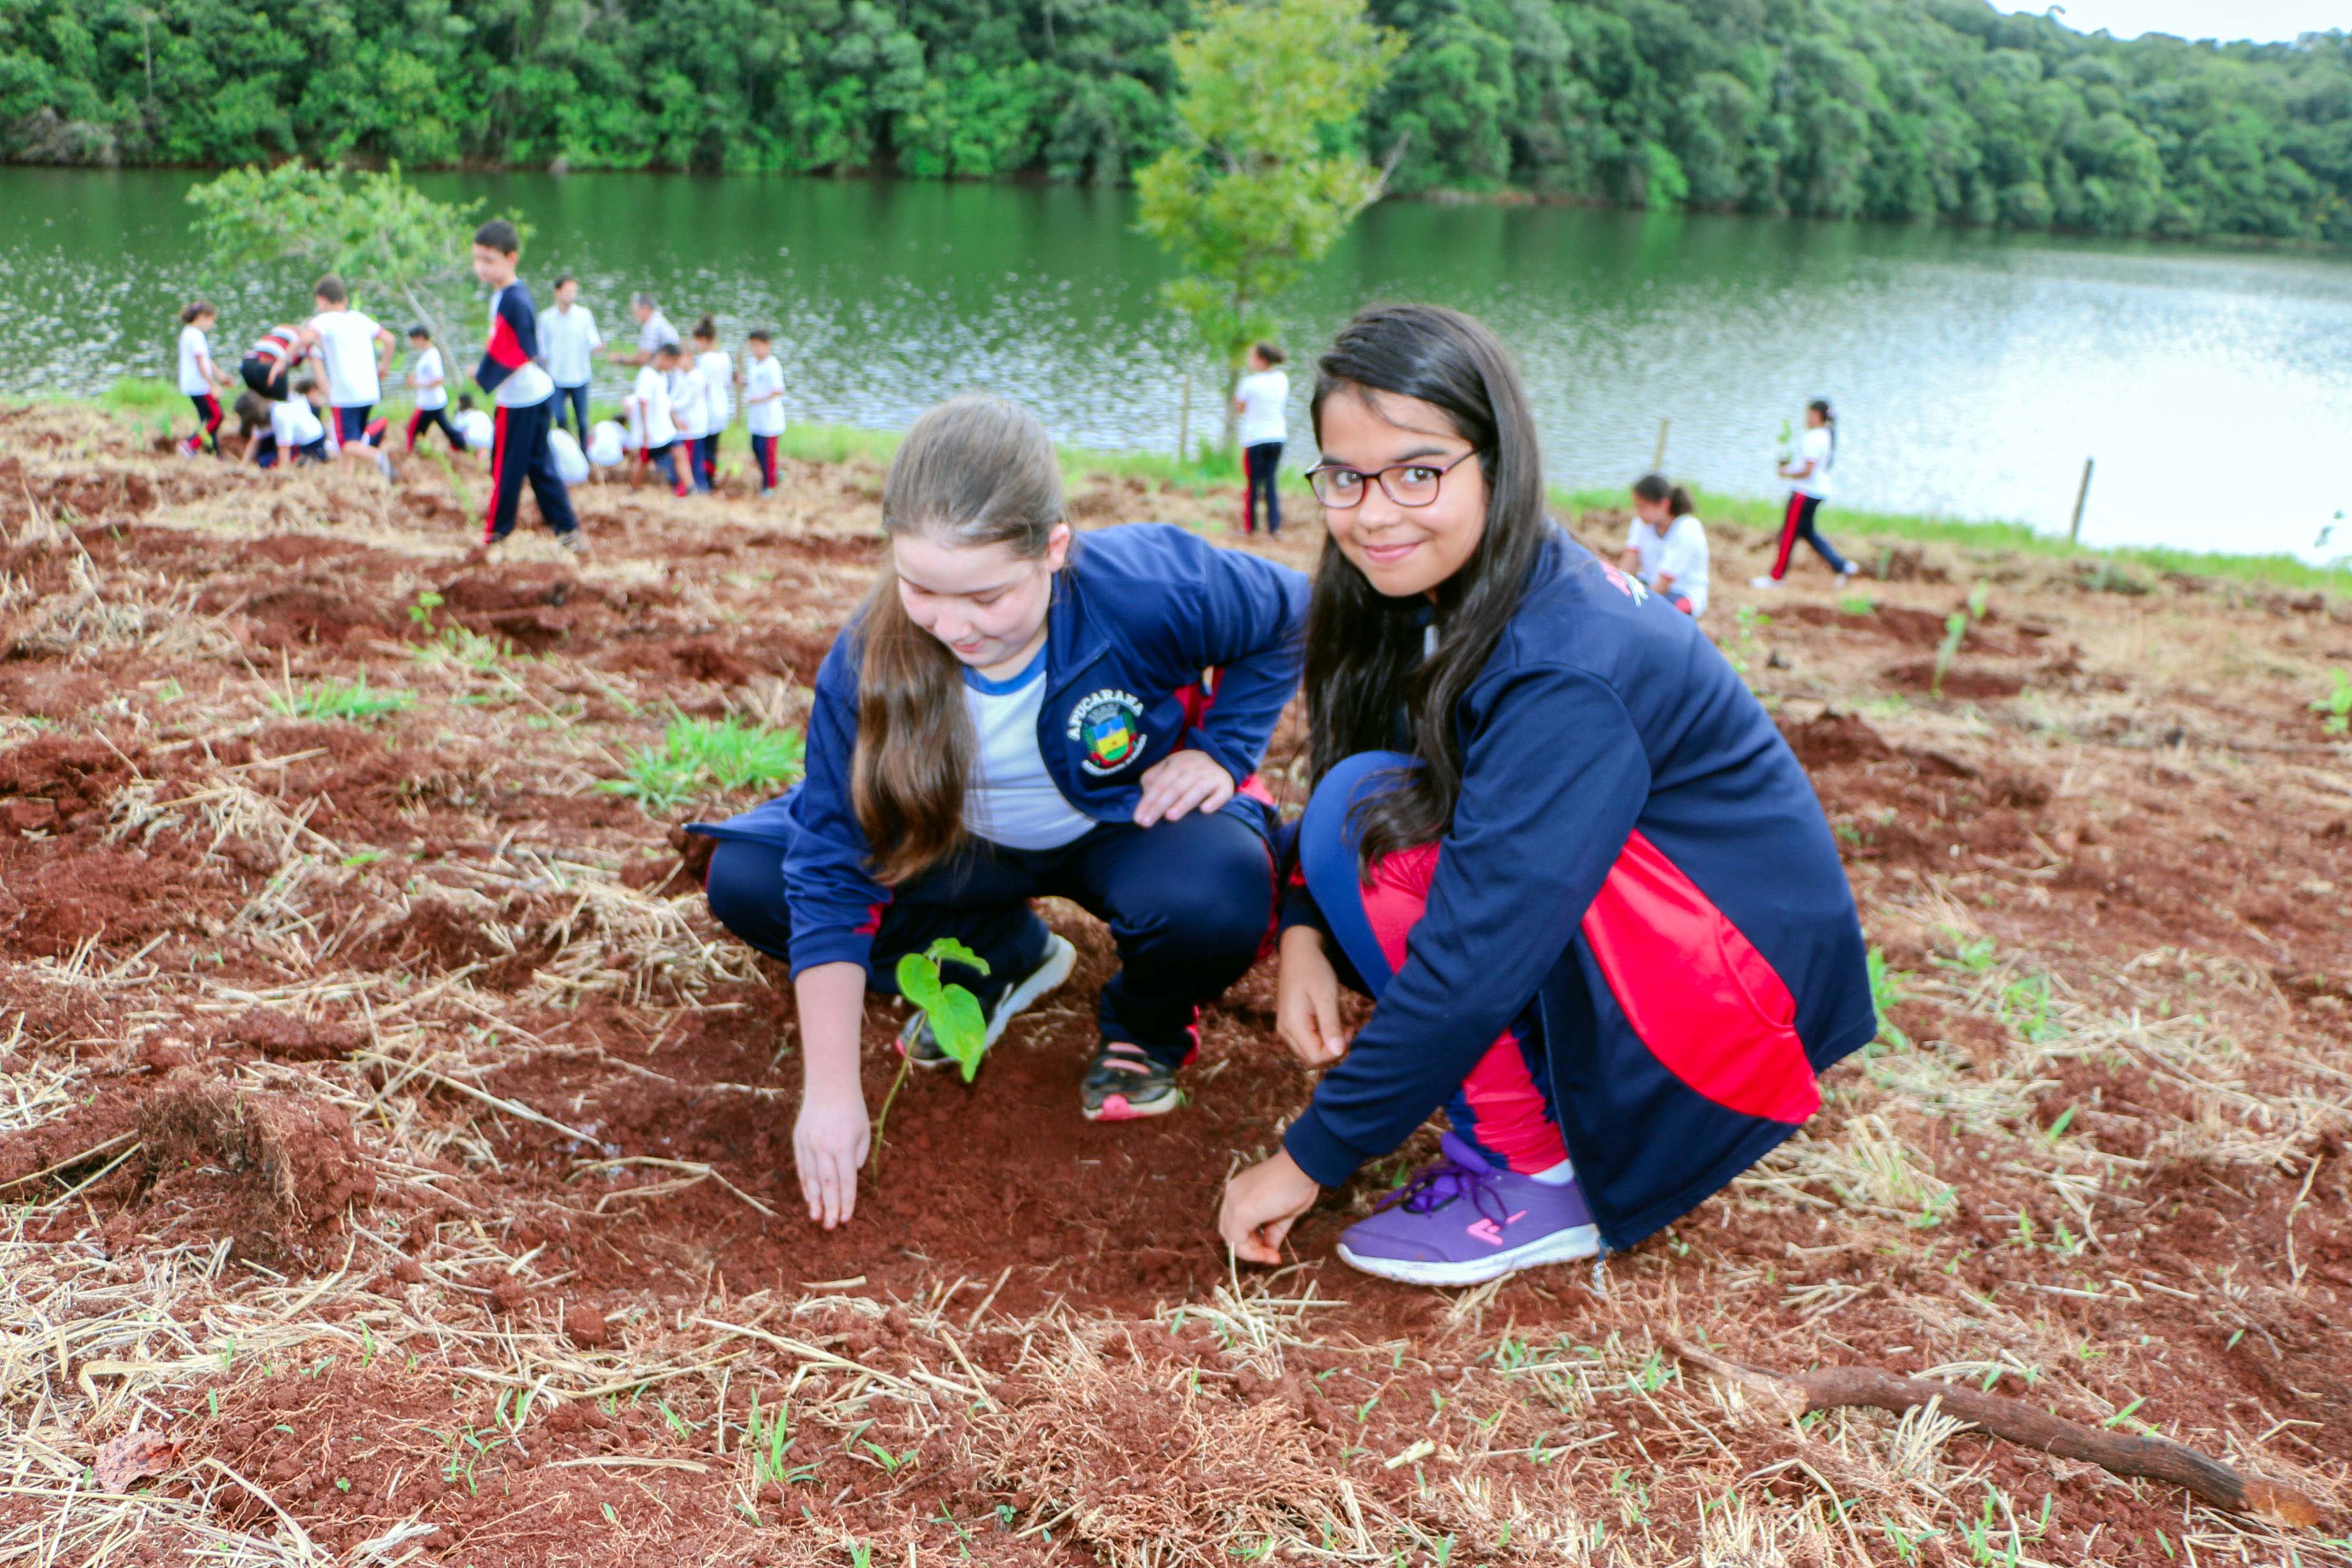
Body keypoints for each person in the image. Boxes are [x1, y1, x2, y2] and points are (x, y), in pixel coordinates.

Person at [1215, 304, 1874, 1288]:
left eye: (1418, 472)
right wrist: (1304, 931)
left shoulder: (1564, 661)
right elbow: (1365, 769)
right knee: (1360, 809)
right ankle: (1539, 1107)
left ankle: (1533, 1175)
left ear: (1499, 463)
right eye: (1345, 477)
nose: (1375, 513)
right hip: (1649, 923)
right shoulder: (1424, 586)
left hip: (1736, 1005)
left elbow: (1480, 947)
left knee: (1373, 828)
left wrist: (1310, 1156)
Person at [687, 396, 1309, 1230]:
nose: (953, 626)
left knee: (1219, 894)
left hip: (1123, 824)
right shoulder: (868, 658)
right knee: (751, 877)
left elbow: (1289, 612)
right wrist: (831, 1092)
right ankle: (1001, 955)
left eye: (986, 596)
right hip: (959, 846)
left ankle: (1146, 1026)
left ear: (1053, 548)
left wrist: (1224, 749)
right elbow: (831, 865)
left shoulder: (1144, 586)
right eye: (920, 588)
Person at [469, 219, 587, 556]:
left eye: (489, 260)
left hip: (520, 399)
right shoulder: (504, 295)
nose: (481, 267)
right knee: (539, 467)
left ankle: (496, 534)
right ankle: (568, 531)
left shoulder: (514, 300)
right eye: (477, 259)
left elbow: (521, 350)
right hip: (533, 394)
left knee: (506, 467)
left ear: (512, 258)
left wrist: (484, 374)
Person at [1753, 398, 1857, 587]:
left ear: (1817, 415)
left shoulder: (1813, 437)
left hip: (1805, 493)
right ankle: (1842, 566)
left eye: (1809, 414)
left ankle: (1776, 577)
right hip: (1818, 492)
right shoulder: (1826, 434)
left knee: (1789, 534)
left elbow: (1808, 470)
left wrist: (1786, 472)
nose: (1806, 418)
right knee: (1808, 532)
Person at [306, 275, 395, 451]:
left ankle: (378, 457)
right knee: (354, 439)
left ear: (321, 300)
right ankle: (356, 466)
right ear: (345, 300)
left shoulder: (323, 325)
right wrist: (384, 367)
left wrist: (284, 360)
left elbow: (321, 378)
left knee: (345, 444)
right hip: (368, 391)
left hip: (345, 395)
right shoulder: (359, 319)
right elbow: (389, 339)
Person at [1620, 474, 1709, 617]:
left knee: (1659, 614)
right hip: (1652, 584)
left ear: (1664, 505)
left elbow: (1664, 584)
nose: (1638, 512)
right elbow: (1628, 563)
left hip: (1682, 592)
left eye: (1642, 507)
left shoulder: (1687, 530)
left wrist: (1636, 606)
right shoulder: (1641, 524)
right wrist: (1620, 586)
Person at [1234, 342, 1288, 536]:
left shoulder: (1249, 383)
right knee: (1271, 482)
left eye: (1251, 357)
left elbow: (1240, 408)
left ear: (1261, 360)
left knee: (1253, 484)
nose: (1249, 361)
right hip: (1277, 436)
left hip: (1255, 438)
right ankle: (1274, 527)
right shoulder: (1282, 379)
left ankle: (1250, 527)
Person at [540, 275, 602, 438]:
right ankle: (566, 447)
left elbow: (593, 341)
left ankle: (584, 450)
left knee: (582, 421)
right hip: (556, 376)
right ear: (557, 292)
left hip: (580, 375)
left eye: (573, 291)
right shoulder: (546, 318)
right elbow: (542, 350)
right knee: (560, 418)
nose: (571, 295)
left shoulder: (584, 315)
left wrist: (598, 348)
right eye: (567, 291)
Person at [623, 353, 685, 495]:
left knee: (679, 452)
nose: (672, 367)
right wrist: (646, 431)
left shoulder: (661, 375)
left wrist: (675, 421)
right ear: (665, 358)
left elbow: (665, 403)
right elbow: (643, 403)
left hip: (664, 430)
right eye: (672, 363)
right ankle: (633, 488)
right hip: (652, 432)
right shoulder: (647, 375)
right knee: (644, 459)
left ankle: (690, 488)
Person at [175, 302, 229, 456]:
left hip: (192, 384)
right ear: (201, 317)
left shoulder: (188, 332)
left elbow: (205, 359)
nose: (211, 324)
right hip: (200, 385)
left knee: (207, 419)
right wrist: (213, 385)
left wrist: (220, 375)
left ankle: (213, 452)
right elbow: (200, 363)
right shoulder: (197, 336)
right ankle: (190, 445)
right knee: (216, 417)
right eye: (211, 320)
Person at [402, 326, 466, 454]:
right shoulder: (428, 354)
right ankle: (460, 445)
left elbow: (439, 380)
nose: (412, 343)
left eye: (413, 340)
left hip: (429, 403)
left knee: (413, 431)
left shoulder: (432, 355)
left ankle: (412, 453)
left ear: (421, 338)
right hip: (432, 402)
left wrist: (416, 384)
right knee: (441, 428)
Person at [662, 341, 713, 493]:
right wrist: (670, 407)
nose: (677, 363)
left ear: (689, 357)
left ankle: (696, 487)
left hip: (693, 425)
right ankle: (688, 486)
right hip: (682, 424)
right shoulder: (681, 375)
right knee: (684, 457)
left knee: (692, 458)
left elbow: (688, 401)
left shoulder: (697, 376)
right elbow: (674, 396)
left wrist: (671, 407)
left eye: (679, 359)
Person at [692, 317, 734, 493]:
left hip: (707, 409)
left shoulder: (703, 360)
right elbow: (727, 382)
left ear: (702, 339)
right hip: (722, 406)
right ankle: (710, 479)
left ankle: (704, 482)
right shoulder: (725, 358)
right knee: (713, 447)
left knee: (702, 449)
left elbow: (701, 385)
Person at [743, 329, 785, 495]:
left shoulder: (772, 365)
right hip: (756, 419)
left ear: (768, 345)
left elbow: (778, 390)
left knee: (767, 452)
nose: (755, 349)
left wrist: (759, 399)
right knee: (756, 448)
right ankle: (773, 473)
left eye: (758, 346)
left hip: (770, 419)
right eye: (752, 346)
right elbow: (752, 382)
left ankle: (769, 485)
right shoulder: (753, 363)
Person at [260, 375, 331, 469]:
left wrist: (283, 470)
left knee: (266, 462)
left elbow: (285, 446)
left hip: (309, 442)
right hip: (312, 439)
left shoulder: (280, 411)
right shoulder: (298, 401)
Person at [240, 321, 313, 402]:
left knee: (259, 402)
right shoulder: (307, 342)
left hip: (247, 363)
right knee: (282, 404)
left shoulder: (283, 327)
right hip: (270, 367)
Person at [609, 293, 680, 368]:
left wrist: (620, 359)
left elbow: (643, 359)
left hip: (668, 372)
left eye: (635, 311)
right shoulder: (659, 320)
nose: (634, 315)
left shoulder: (653, 324)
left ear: (645, 308)